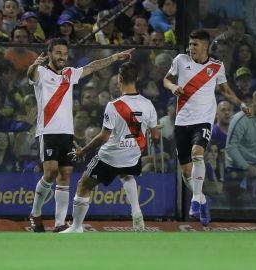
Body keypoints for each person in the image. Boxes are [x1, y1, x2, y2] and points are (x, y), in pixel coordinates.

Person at [27, 37, 134, 232]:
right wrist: (34, 65)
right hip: (47, 132)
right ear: (49, 53)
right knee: (50, 173)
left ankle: (59, 223)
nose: (62, 57)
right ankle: (35, 213)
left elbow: (92, 67)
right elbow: (31, 74)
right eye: (58, 53)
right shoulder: (41, 72)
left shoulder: (70, 73)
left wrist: (114, 57)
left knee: (65, 175)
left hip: (67, 134)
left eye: (65, 54)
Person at [163, 29, 252, 226]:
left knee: (197, 154)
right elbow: (166, 79)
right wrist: (173, 87)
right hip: (181, 121)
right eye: (190, 44)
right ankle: (202, 198)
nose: (191, 47)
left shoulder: (216, 66)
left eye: (195, 44)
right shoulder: (180, 60)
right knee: (186, 171)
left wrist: (242, 104)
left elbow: (225, 91)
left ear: (205, 46)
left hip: (203, 121)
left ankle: (194, 200)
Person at [61, 62, 159, 233]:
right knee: (127, 174)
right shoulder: (148, 104)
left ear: (120, 79)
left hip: (110, 157)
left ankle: (76, 227)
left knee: (83, 185)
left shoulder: (114, 105)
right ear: (136, 78)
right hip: (133, 154)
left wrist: (83, 150)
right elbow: (155, 135)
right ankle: (136, 211)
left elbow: (104, 137)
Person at [225, 90, 256, 201]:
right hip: (237, 168)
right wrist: (247, 167)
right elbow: (231, 148)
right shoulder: (241, 118)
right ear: (252, 103)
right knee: (242, 203)